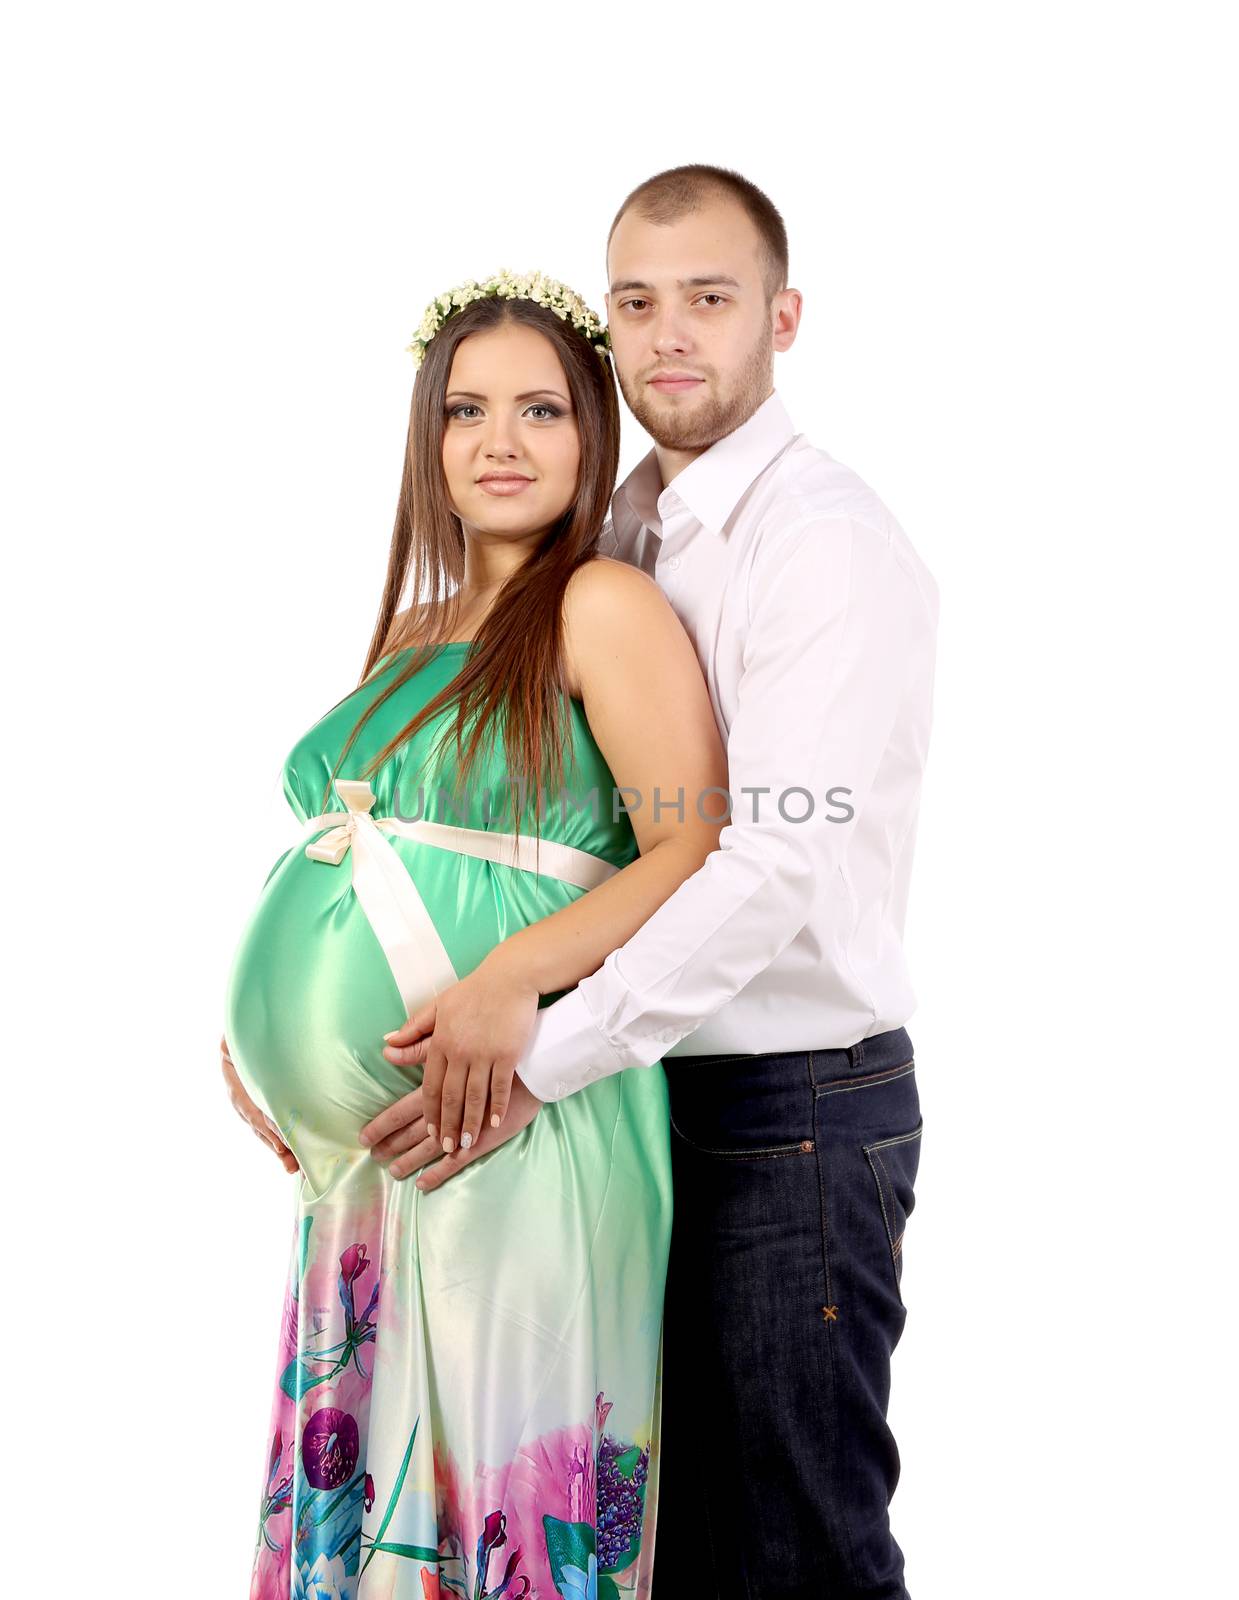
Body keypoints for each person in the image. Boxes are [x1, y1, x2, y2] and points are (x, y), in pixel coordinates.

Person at [369, 166, 940, 1598]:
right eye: (637, 303)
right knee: (648, 1544)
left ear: (783, 318)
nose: (669, 334)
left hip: (787, 1115)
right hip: (644, 1110)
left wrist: (537, 1056)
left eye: (710, 299)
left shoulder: (823, 545)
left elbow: (764, 862)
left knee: (793, 1549)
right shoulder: (620, 530)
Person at [220, 268, 730, 1599]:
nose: (499, 443)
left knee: (510, 1512)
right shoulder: (413, 632)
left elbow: (693, 841)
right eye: (466, 412)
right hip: (364, 1173)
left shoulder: (599, 609)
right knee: (378, 1521)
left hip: (518, 1124)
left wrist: (511, 978)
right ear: (427, 445)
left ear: (591, 437)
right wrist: (257, 1032)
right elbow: (351, 853)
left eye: (541, 411)